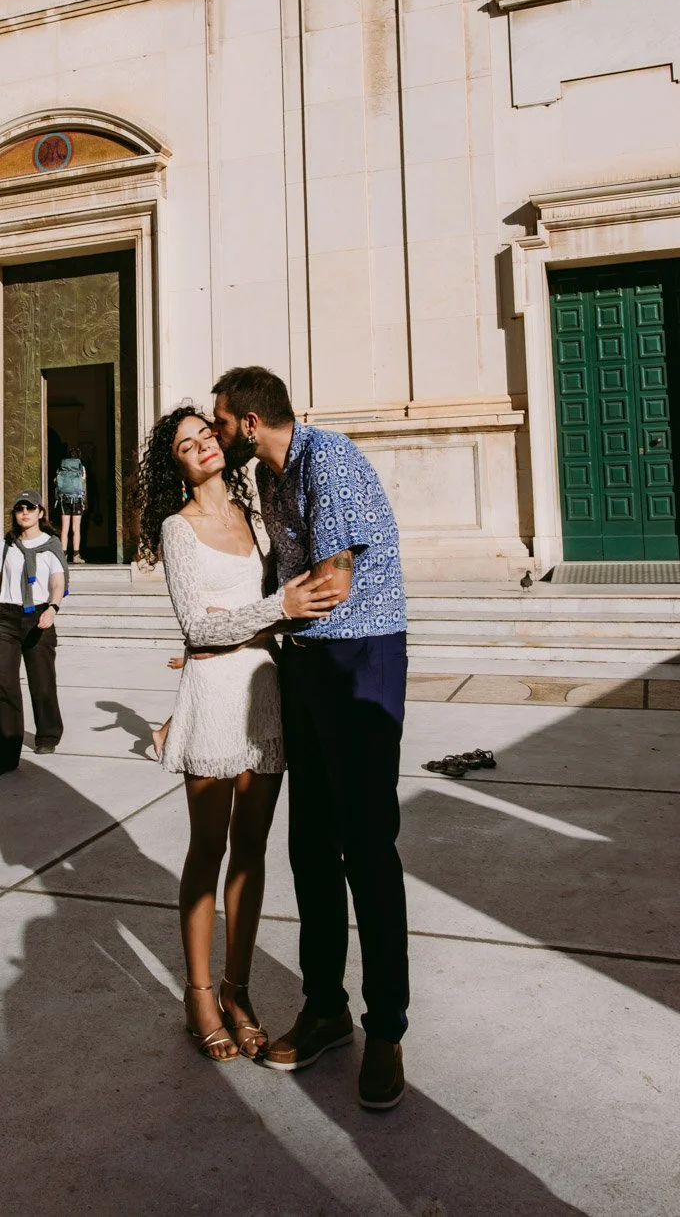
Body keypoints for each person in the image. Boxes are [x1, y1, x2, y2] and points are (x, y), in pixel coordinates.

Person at [212, 366, 409, 1110]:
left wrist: (251, 620)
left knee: (366, 844)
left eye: (222, 422)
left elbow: (330, 584)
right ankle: (325, 1008)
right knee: (309, 846)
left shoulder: (330, 460)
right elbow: (289, 584)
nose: (220, 432)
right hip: (306, 664)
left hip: (360, 658)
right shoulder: (271, 476)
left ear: (252, 421)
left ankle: (385, 1028)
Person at [135, 405, 339, 1062]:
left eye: (204, 435)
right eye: (185, 444)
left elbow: (264, 611)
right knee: (207, 848)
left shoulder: (256, 520)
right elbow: (199, 628)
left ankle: (237, 989)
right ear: (176, 464)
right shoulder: (177, 528)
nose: (199, 446)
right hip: (213, 696)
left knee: (252, 852)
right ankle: (198, 996)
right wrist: (272, 610)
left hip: (263, 695)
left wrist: (250, 617)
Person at [0, 491, 69, 772]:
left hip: (39, 615)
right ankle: (4, 757)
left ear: (41, 512)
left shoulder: (51, 545)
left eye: (31, 508)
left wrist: (52, 608)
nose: (25, 512)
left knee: (41, 680)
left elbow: (57, 582)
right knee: (5, 686)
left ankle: (48, 733)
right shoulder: (6, 545)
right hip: (6, 617)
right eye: (20, 508)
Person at [55, 447, 87, 564]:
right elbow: (83, 484)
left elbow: (55, 481)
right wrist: (84, 502)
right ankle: (76, 555)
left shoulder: (62, 467)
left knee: (64, 529)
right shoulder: (81, 468)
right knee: (76, 529)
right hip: (77, 500)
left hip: (64, 500)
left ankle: (63, 555)